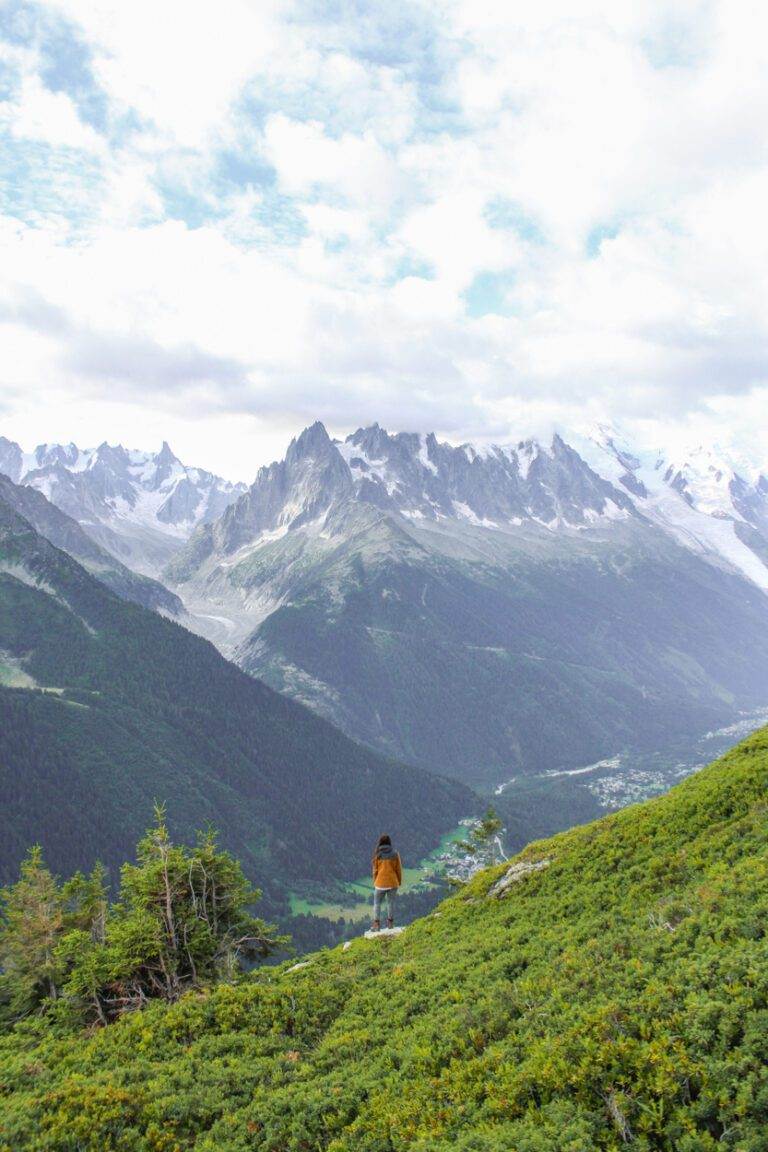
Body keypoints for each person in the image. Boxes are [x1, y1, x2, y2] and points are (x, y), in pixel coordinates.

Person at [371, 834, 402, 931]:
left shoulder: (377, 855)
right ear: (389, 842)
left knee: (377, 903)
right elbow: (398, 869)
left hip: (380, 883)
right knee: (390, 903)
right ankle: (390, 924)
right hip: (393, 883)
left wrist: (375, 881)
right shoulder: (395, 854)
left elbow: (375, 871)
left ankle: (376, 925)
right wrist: (399, 881)